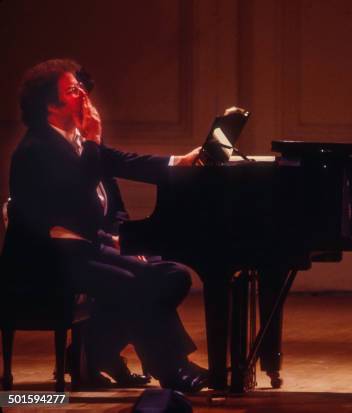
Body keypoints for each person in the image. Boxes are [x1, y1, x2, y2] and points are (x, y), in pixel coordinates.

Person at [2, 58, 208, 393]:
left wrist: (179, 162)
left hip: (81, 248)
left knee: (170, 275)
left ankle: (90, 354)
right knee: (136, 284)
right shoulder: (34, 150)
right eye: (72, 90)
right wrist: (94, 140)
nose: (83, 93)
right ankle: (172, 369)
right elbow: (75, 202)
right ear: (50, 106)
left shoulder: (75, 138)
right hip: (44, 260)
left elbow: (123, 162)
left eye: (80, 85)